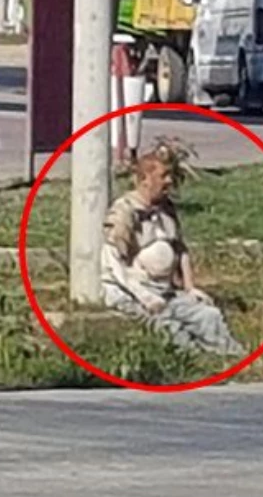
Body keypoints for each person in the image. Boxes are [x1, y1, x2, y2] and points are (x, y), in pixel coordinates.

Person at [101, 151, 245, 357]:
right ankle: (194, 362)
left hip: (165, 290)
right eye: (163, 176)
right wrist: (144, 296)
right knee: (169, 326)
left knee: (208, 315)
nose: (169, 181)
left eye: (170, 175)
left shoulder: (166, 208)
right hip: (133, 292)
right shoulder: (125, 211)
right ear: (144, 180)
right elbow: (113, 261)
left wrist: (189, 287)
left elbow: (180, 248)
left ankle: (231, 357)